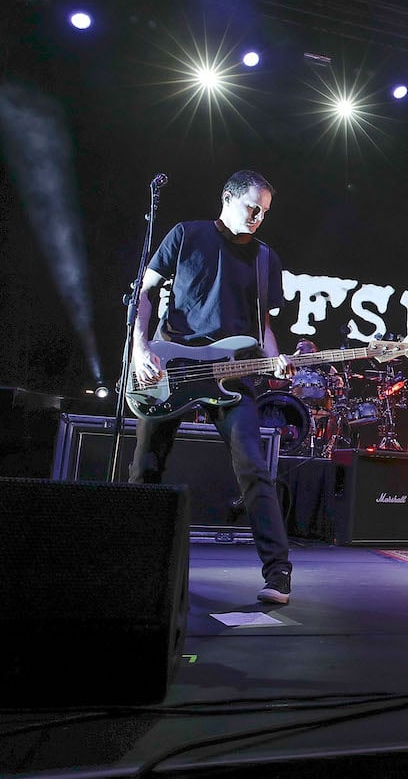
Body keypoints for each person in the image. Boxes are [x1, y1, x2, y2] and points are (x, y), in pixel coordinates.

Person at [129, 169, 297, 604]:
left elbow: (263, 327)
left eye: (264, 212)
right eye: (252, 207)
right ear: (227, 197)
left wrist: (276, 359)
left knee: (255, 471)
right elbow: (144, 295)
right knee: (146, 467)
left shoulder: (265, 258)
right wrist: (140, 350)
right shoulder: (186, 235)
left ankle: (278, 574)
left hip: (234, 375)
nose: (258, 217)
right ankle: (133, 564)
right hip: (173, 367)